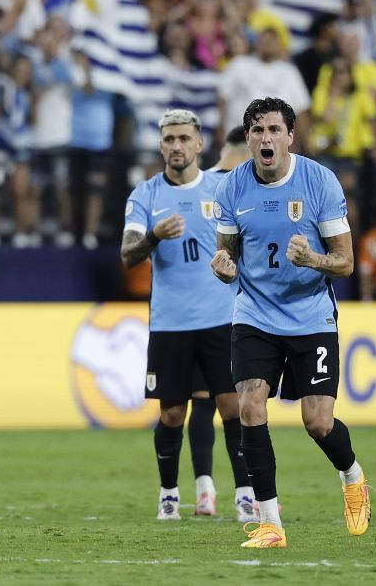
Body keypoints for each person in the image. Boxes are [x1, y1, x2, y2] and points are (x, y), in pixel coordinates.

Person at [210, 97, 368, 548]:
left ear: (289, 137)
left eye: (274, 130)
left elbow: (345, 263)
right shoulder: (231, 188)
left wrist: (313, 258)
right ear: (248, 138)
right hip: (255, 313)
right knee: (250, 406)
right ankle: (270, 525)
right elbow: (228, 256)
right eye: (257, 130)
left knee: (317, 422)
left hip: (310, 314)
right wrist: (222, 268)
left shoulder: (319, 181)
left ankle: (353, 477)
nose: (265, 138)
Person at [121, 110, 254, 524]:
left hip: (221, 319)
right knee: (172, 414)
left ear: (200, 145)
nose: (176, 146)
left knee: (234, 407)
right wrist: (154, 236)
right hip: (171, 324)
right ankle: (169, 494)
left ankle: (246, 495)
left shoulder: (222, 187)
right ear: (161, 145)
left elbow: (245, 241)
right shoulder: (145, 195)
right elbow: (128, 255)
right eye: (169, 139)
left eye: (184, 138)